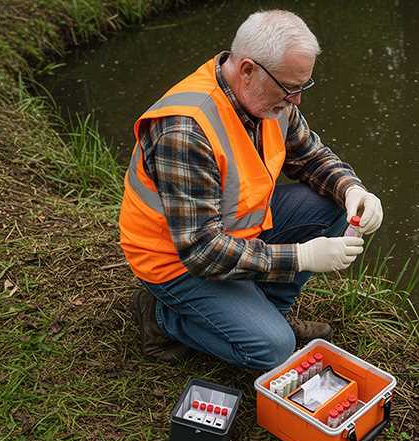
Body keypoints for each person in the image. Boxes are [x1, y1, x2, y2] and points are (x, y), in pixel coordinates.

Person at [118, 10, 383, 369]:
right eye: (291, 88)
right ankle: (163, 317)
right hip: (177, 262)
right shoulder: (185, 130)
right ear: (247, 70)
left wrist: (352, 189)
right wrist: (302, 257)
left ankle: (266, 310)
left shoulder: (272, 99)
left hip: (235, 232)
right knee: (272, 349)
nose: (297, 100)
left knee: (334, 203)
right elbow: (202, 251)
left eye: (302, 87)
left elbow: (309, 156)